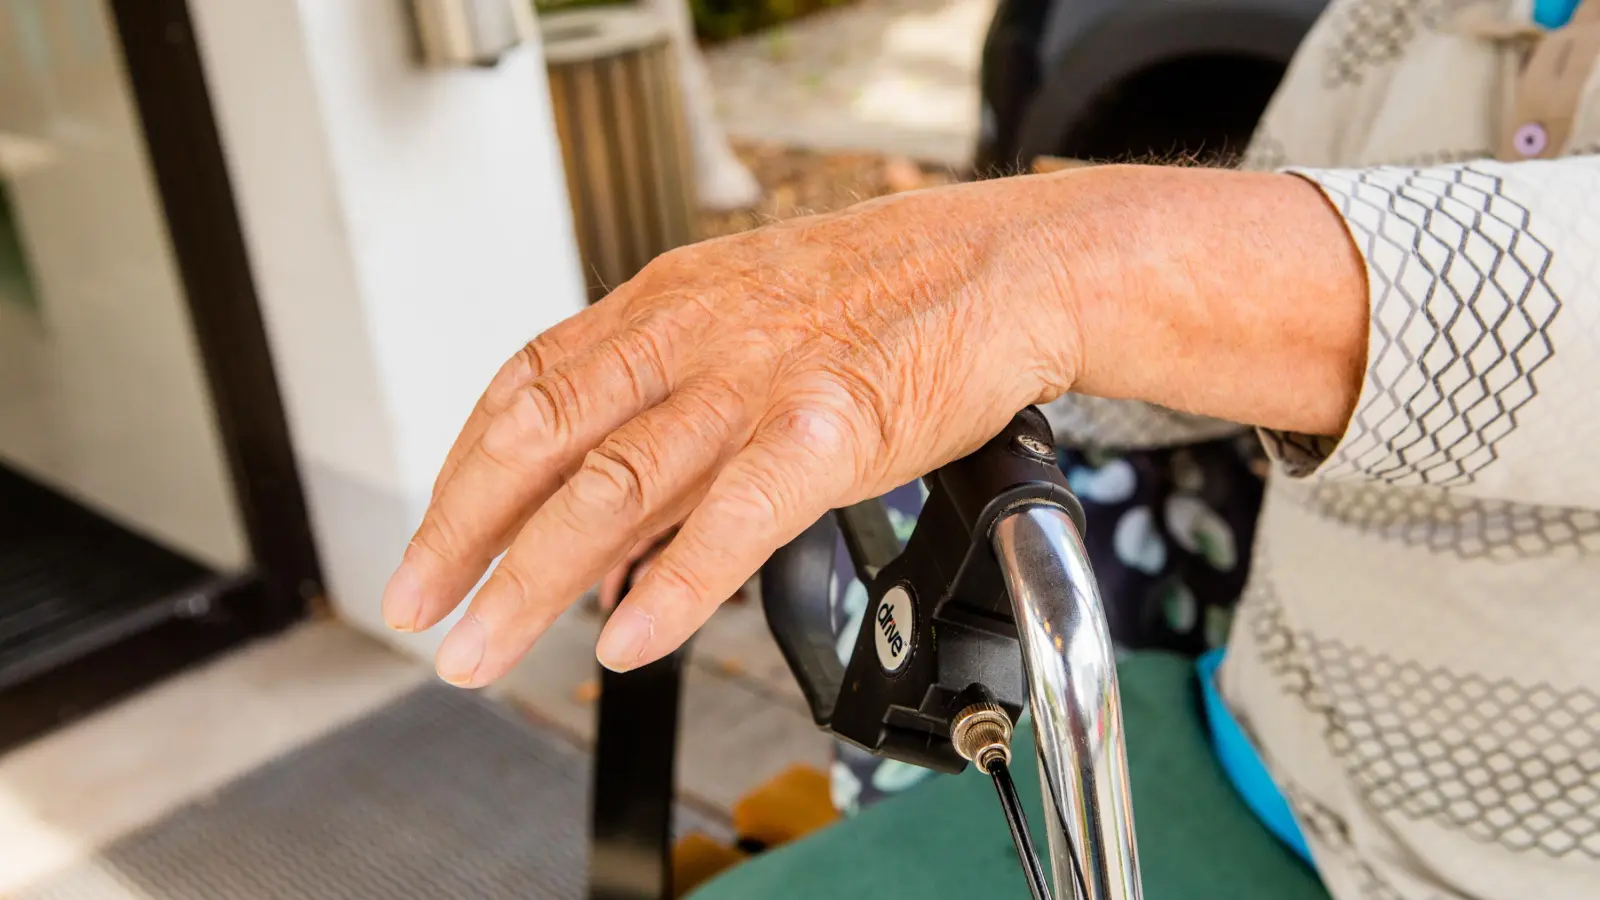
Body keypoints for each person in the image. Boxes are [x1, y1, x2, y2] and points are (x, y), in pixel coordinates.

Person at [380, 0, 1600, 893]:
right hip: (1254, 749)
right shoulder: (1407, 16)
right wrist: (864, 388)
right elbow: (1209, 369)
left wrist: (1049, 265)